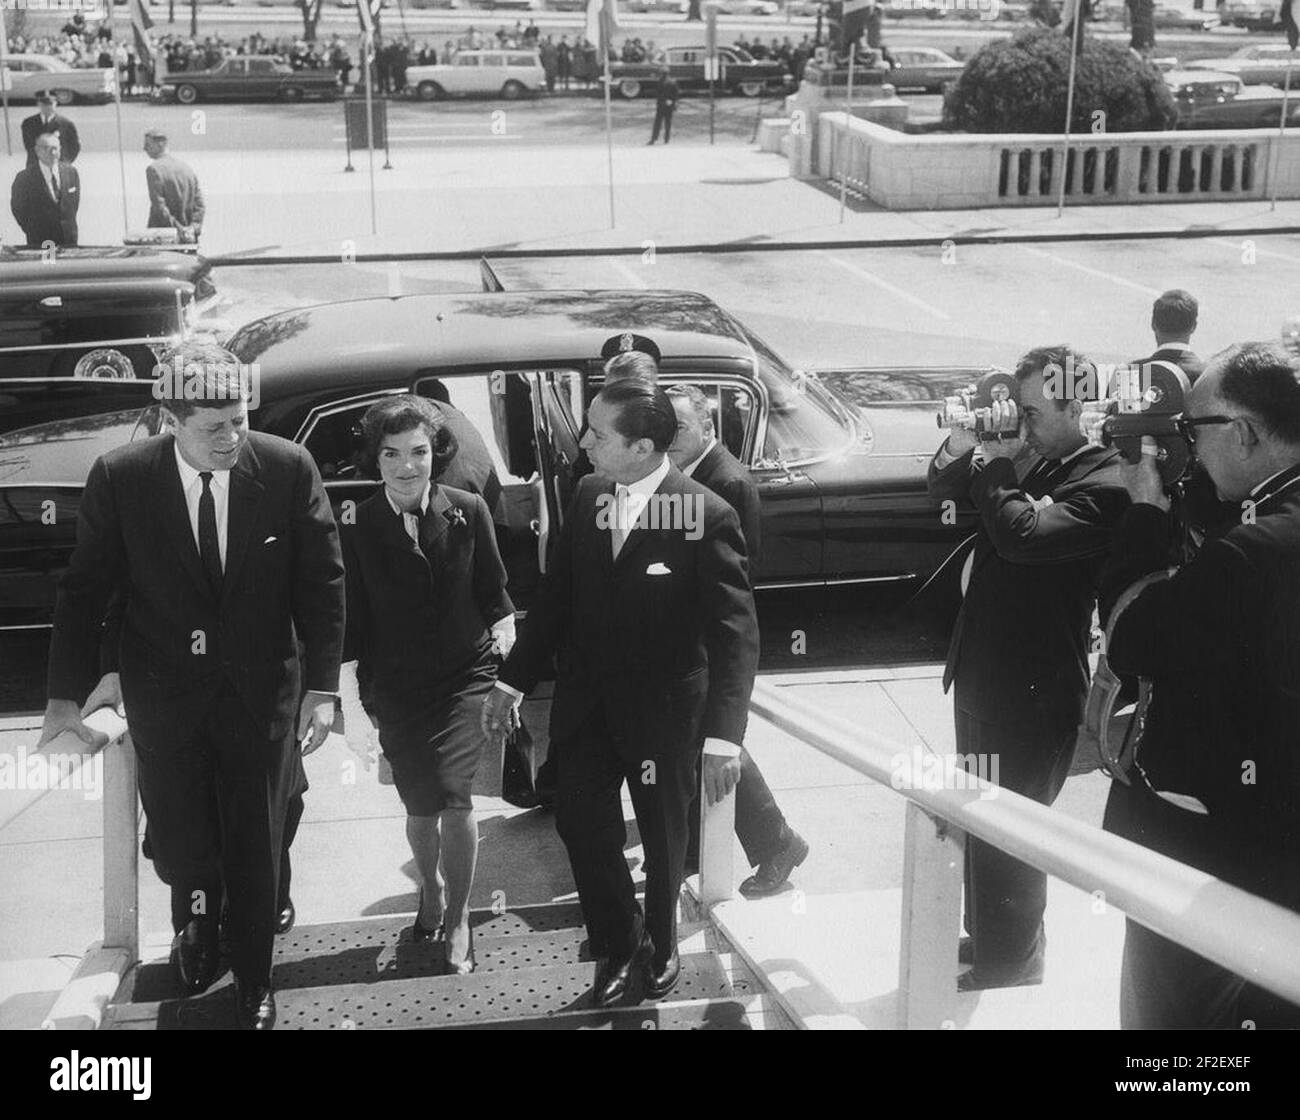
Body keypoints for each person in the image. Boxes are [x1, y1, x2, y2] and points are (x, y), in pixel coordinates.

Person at [40, 342, 345, 1030]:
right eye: (214, 427)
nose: (232, 438)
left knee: (255, 838)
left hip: (263, 691)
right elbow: (85, 593)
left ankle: (254, 978)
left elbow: (321, 584)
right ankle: (198, 927)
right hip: (165, 694)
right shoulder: (122, 478)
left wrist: (323, 689)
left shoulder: (288, 468)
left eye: (239, 420)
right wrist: (63, 698)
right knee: (179, 841)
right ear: (170, 419)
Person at [481, 379, 760, 1007]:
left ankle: (660, 949)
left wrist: (724, 738)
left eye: (596, 433)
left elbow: (736, 637)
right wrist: (510, 681)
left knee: (664, 842)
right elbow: (556, 602)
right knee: (581, 824)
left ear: (641, 447)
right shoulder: (586, 494)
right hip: (587, 709)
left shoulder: (706, 514)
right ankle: (617, 942)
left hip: (664, 716)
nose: (582, 441)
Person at [1099, 341, 1300, 1030]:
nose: (1188, 445)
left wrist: (1147, 513)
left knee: (1170, 1034)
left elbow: (1132, 636)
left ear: (1242, 431)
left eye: (1194, 430)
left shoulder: (1251, 554)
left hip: (1212, 840)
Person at [928, 345, 1130, 991]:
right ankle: (989, 936)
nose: (1023, 420)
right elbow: (942, 488)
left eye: (1035, 409)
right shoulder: (1027, 458)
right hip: (985, 674)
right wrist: (966, 442)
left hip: (1035, 686)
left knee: (1015, 827)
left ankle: (1013, 958)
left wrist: (995, 464)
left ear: (1075, 406)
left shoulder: (1104, 482)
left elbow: (1024, 537)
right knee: (981, 818)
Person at [339, 396, 515, 976]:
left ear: (435, 454)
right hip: (397, 689)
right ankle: (431, 891)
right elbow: (351, 624)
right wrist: (353, 707)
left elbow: (496, 599)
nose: (405, 466)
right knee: (419, 806)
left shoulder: (467, 510)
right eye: (391, 454)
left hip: (467, 677)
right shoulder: (357, 524)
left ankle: (460, 916)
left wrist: (507, 676)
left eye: (417, 452)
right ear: (376, 458)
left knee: (454, 794)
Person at [666, 385, 811, 899]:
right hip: (688, 639)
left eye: (679, 428)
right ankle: (689, 848)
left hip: (712, 643)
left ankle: (777, 844)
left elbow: (738, 579)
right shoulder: (688, 473)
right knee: (692, 745)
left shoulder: (727, 481)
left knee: (721, 745)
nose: (669, 438)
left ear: (708, 428)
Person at [11, 133, 80, 249]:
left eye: (55, 149)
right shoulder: (25, 178)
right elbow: (18, 209)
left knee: (67, 267)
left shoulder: (71, 173)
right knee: (49, 265)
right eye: (47, 149)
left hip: (69, 240)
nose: (52, 153)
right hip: (42, 241)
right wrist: (33, 230)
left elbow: (74, 204)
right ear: (37, 151)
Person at [143, 129, 206, 244]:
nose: (144, 148)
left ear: (160, 145)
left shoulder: (154, 169)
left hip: (163, 239)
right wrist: (192, 228)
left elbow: (160, 208)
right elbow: (200, 205)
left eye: (148, 145)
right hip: (189, 240)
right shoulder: (187, 168)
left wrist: (179, 229)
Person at [22, 92, 80, 171]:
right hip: (35, 166)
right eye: (44, 105)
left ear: (55, 104)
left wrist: (66, 162)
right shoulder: (28, 123)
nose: (48, 108)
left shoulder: (66, 124)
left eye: (50, 104)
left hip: (59, 166)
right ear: (39, 105)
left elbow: (75, 146)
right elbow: (29, 145)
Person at [648, 66, 679, 146]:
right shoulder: (673, 81)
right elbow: (675, 94)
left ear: (662, 73)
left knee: (658, 123)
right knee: (668, 122)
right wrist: (673, 102)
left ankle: (654, 138)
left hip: (661, 105)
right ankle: (666, 139)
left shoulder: (659, 81)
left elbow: (657, 93)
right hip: (669, 104)